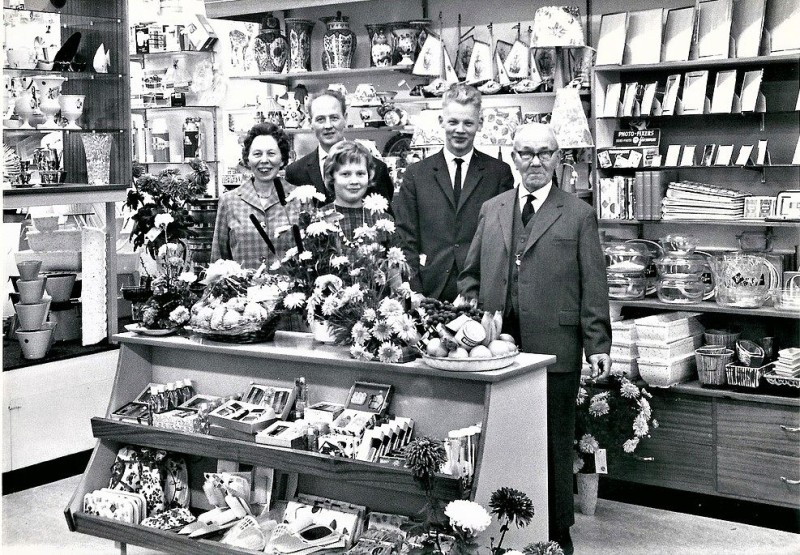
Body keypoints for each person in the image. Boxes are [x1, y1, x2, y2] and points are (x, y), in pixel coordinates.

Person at [458, 123, 612, 555]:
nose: (535, 162)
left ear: (557, 158)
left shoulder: (578, 213)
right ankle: (506, 529)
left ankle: (557, 531)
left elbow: (593, 284)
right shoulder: (493, 208)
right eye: (526, 153)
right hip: (495, 346)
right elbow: (471, 274)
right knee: (503, 436)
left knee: (554, 441)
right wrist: (469, 311)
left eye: (544, 153)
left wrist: (598, 344)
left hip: (556, 345)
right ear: (513, 156)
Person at [393, 82, 514, 302]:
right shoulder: (415, 174)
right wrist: (414, 289)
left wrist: (490, 290)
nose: (460, 130)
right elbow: (405, 237)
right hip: (429, 291)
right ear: (441, 121)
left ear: (480, 123)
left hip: (480, 291)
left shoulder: (499, 173)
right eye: (453, 122)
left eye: (468, 123)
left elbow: (503, 241)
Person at [284, 89, 395, 208]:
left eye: (334, 118)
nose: (328, 126)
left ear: (345, 118)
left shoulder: (376, 168)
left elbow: (385, 220)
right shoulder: (295, 172)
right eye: (320, 119)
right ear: (311, 123)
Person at [212, 122, 300, 269]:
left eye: (271, 153)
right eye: (257, 154)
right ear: (247, 159)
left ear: (283, 159)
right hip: (242, 291)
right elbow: (218, 261)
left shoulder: (299, 199)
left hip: (290, 291)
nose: (264, 160)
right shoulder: (229, 201)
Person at [319, 141, 393, 241]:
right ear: (331, 176)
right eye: (345, 174)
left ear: (369, 175)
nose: (354, 181)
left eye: (360, 173)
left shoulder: (383, 220)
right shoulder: (319, 220)